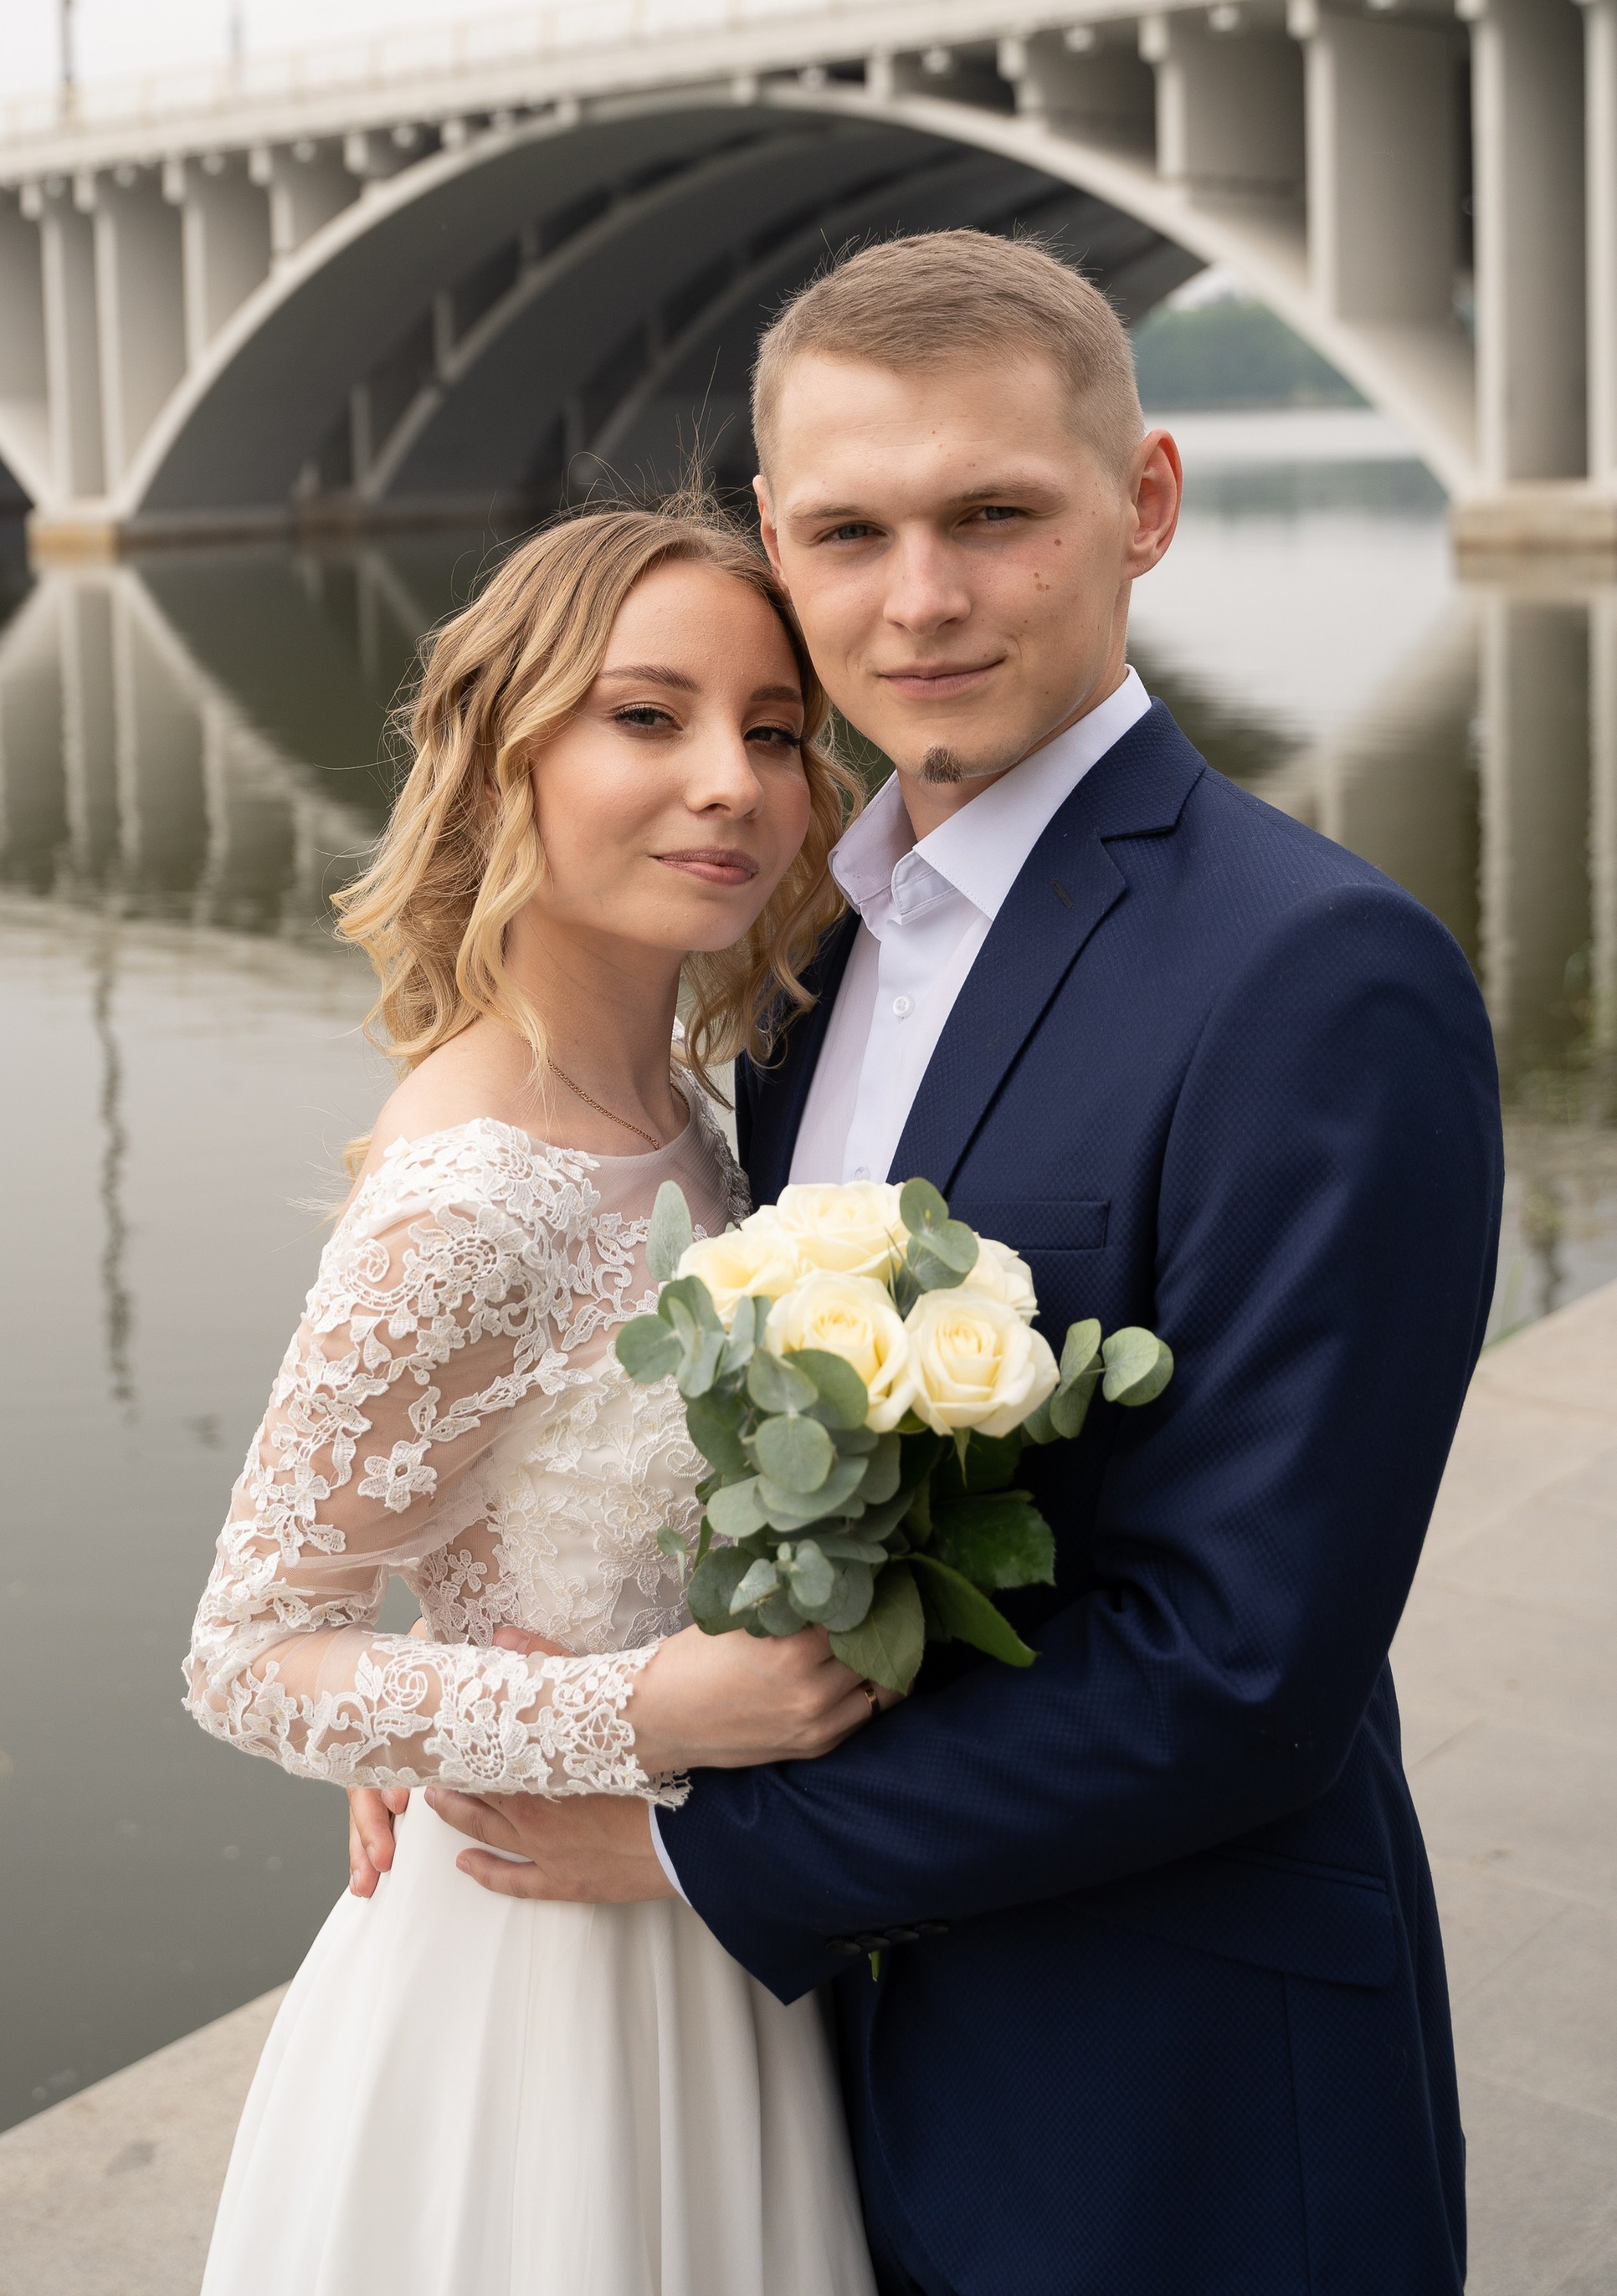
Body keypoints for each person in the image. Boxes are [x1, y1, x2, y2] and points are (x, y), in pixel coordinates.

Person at [393, 231, 1503, 2296]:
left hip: (1156, 2100)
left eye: (993, 514)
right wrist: (481, 1709)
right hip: (820, 2086)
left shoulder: (1312, 977)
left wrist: (680, 1842)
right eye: (849, 531)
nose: (918, 600)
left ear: (1141, 504)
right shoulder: (806, 953)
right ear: (773, 546)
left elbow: (1243, 1671)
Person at [184, 497, 889, 2296]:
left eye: (775, 730)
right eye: (644, 717)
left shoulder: (701, 1115)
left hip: (700, 1925)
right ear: (504, 760)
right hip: (528, 1972)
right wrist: (635, 1710)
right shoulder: (468, 1196)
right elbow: (252, 1654)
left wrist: (441, 1708)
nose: (728, 780)